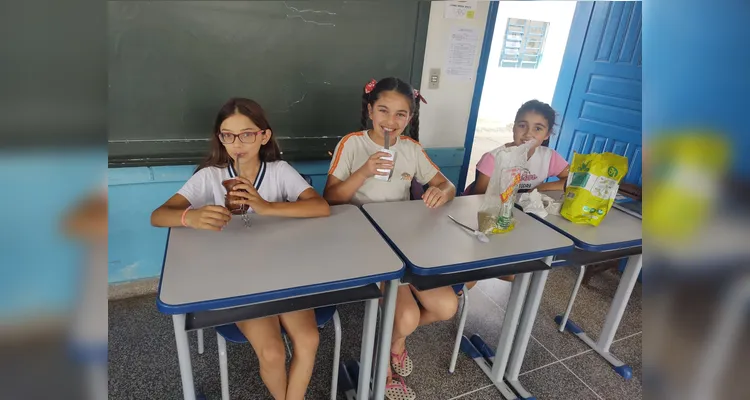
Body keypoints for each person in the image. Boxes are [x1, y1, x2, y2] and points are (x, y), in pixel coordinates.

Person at [151, 97, 330, 400]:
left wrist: (267, 206)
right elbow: (158, 215)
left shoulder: (278, 171)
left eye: (247, 134)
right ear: (220, 138)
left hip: (285, 271)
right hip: (237, 279)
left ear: (264, 136)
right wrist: (190, 216)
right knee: (272, 352)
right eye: (228, 135)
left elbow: (321, 207)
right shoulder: (211, 176)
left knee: (309, 339)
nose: (238, 143)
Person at [323, 77, 457, 400]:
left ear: (409, 119)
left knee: (447, 305)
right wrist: (364, 172)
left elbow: (447, 185)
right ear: (370, 110)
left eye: (401, 114)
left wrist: (442, 192)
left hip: (404, 241)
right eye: (383, 111)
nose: (391, 121)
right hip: (363, 242)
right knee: (408, 315)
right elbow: (329, 198)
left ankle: (394, 341)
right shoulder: (352, 145)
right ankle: (380, 367)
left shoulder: (410, 150)